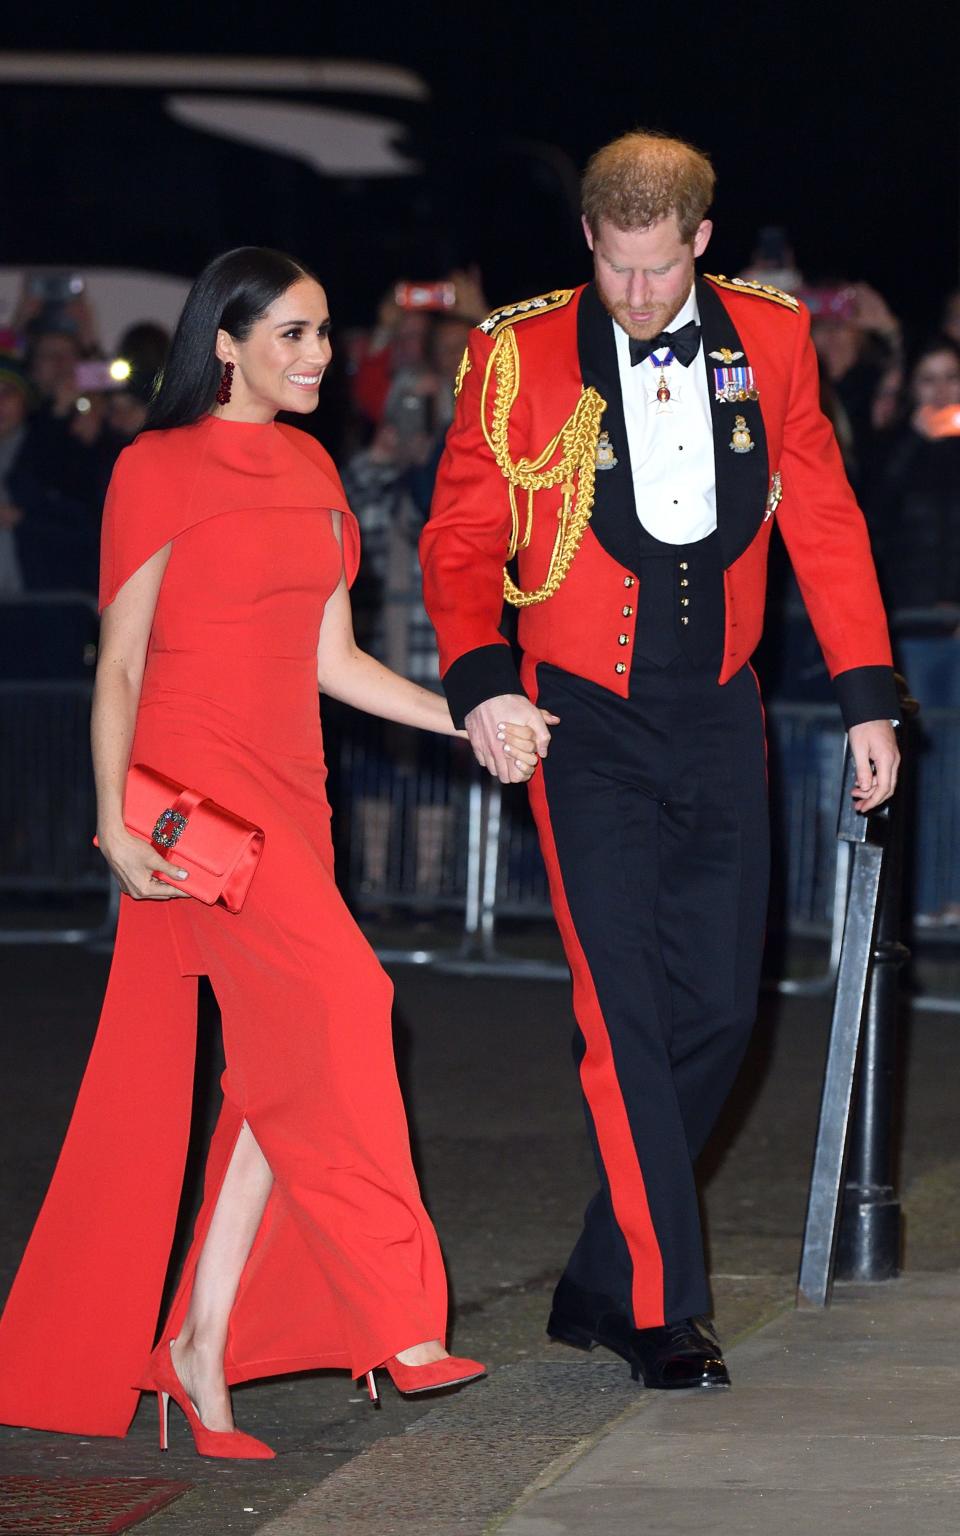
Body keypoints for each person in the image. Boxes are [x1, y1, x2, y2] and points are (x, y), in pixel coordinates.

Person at [0, 248, 543, 1457]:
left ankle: (196, 1345)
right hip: (197, 801)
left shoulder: (311, 467)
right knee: (354, 998)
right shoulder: (154, 466)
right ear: (226, 343)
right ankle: (399, 1313)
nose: (316, 355)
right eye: (292, 334)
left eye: (322, 334)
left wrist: (467, 714)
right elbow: (121, 661)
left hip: (296, 792)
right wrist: (114, 818)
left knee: (276, 1066)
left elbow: (333, 663)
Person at [421, 131, 899, 1391]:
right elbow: (463, 539)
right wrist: (478, 683)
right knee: (622, 1014)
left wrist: (867, 698)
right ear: (590, 239)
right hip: (579, 721)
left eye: (659, 272)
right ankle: (657, 1305)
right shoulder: (513, 352)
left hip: (720, 713)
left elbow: (826, 514)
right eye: (614, 270)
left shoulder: (774, 339)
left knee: (724, 1012)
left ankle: (594, 1271)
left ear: (701, 241)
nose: (636, 299)